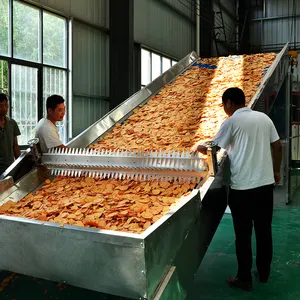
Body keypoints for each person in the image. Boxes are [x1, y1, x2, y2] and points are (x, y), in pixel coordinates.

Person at [192, 87, 282, 291]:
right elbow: (277, 146)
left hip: (242, 189)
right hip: (265, 187)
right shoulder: (264, 119)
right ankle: (264, 272)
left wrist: (199, 148)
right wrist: (276, 171)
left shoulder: (231, 121)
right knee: (264, 231)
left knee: (243, 235)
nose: (224, 108)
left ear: (229, 103)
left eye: (224, 105)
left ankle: (244, 278)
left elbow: (214, 149)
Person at [0, 93, 21, 175]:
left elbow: (15, 145)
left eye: (6, 105)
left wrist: (19, 163)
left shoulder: (12, 123)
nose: (4, 108)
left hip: (9, 166)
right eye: (1, 106)